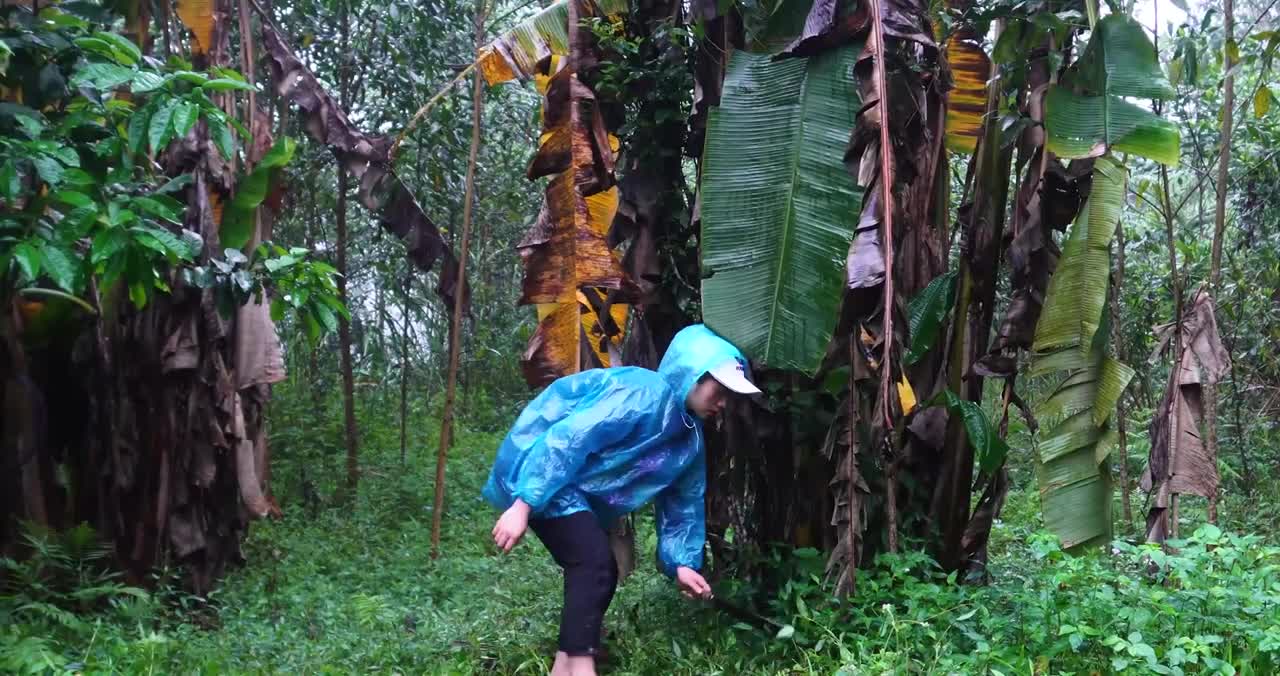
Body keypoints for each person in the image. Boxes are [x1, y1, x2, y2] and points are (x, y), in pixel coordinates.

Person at [482, 324, 761, 676]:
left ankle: (565, 666)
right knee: (594, 562)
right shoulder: (642, 396)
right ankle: (580, 666)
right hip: (538, 469)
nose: (722, 404)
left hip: (573, 489)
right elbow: (568, 440)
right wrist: (522, 505)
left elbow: (683, 506)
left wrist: (682, 564)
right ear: (694, 375)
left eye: (729, 397)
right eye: (718, 391)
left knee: (602, 570)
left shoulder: (688, 440)